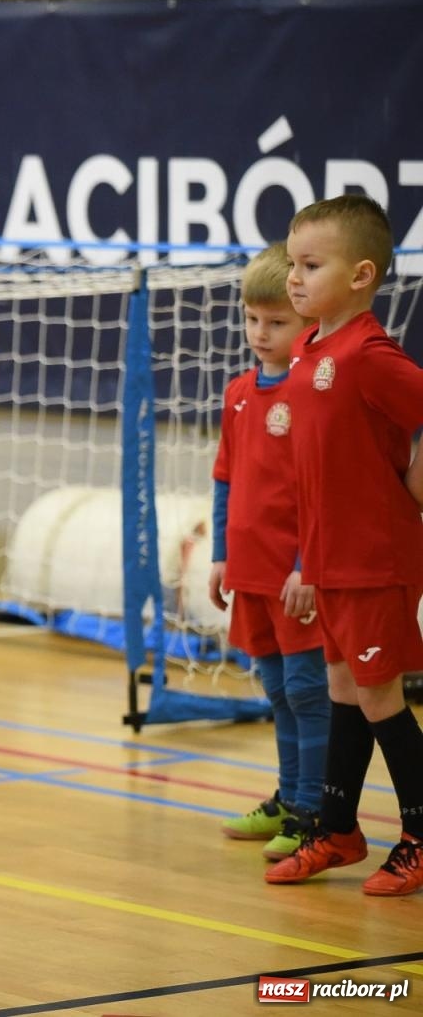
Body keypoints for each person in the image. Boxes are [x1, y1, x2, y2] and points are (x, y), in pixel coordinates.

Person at [266, 195, 423, 895]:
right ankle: (338, 828)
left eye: (311, 265)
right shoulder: (307, 349)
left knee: (380, 695)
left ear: (361, 275)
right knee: (341, 690)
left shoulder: (366, 353)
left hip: (374, 558)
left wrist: (414, 485)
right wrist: (305, 556)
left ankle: (419, 835)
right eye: (292, 263)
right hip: (328, 558)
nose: (294, 278)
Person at [208, 242, 329, 861]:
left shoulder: (311, 393)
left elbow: (321, 491)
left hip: (296, 577)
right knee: (277, 689)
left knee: (309, 691)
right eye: (252, 319)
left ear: (308, 322)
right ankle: (289, 797)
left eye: (276, 322)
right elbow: (226, 477)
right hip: (251, 573)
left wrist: (310, 564)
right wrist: (221, 555)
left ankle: (315, 810)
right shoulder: (236, 394)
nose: (260, 332)